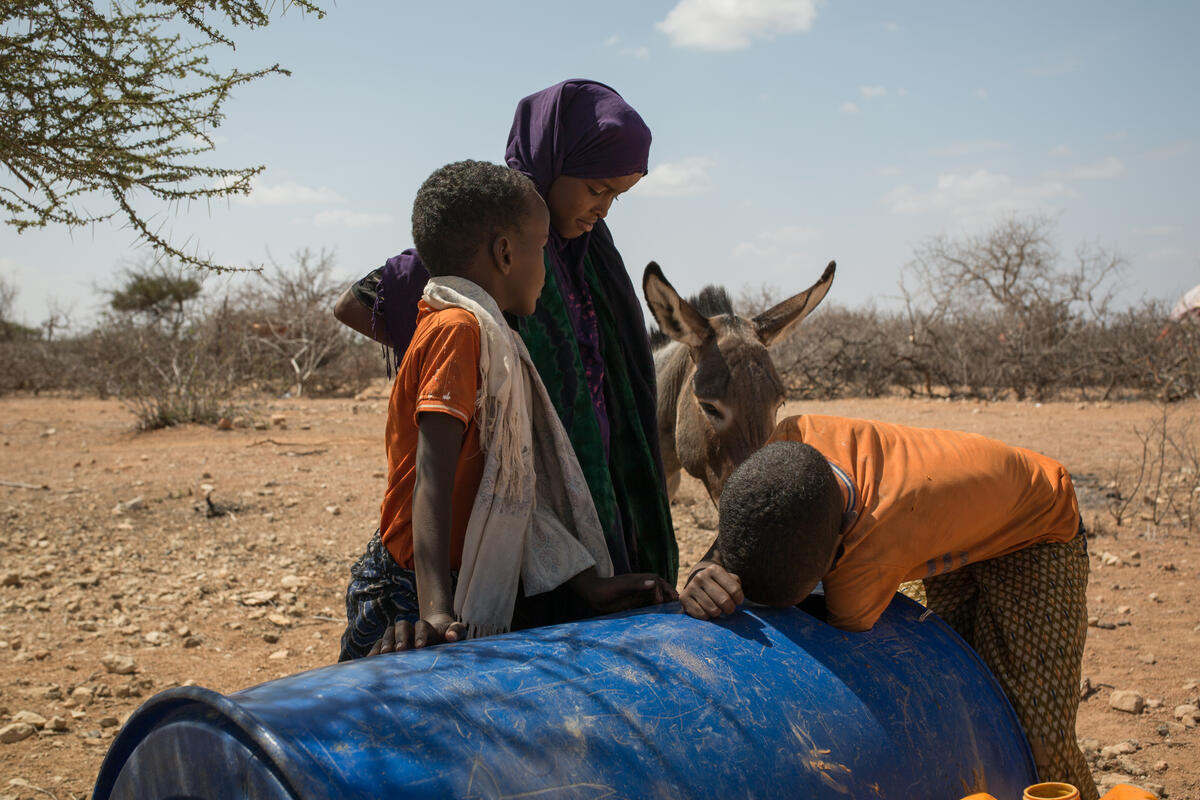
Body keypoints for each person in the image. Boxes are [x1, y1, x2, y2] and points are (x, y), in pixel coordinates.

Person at [333, 80, 677, 604]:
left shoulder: (589, 251)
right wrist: (450, 356)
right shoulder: (491, 237)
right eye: (597, 189)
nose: (605, 208)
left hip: (572, 501)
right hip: (501, 509)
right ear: (554, 161)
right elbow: (355, 304)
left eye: (617, 196)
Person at [679, 414, 1098, 800]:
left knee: (1039, 733)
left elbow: (842, 636)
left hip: (1038, 525)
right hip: (954, 518)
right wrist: (707, 564)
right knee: (957, 688)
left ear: (838, 551)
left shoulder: (871, 554)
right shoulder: (792, 438)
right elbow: (754, 523)